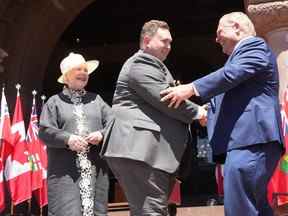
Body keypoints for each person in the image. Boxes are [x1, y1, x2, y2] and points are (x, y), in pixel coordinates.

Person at [161, 12, 284, 216]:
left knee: (240, 208)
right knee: (255, 207)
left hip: (252, 141)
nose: (216, 39)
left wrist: (191, 88)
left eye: (219, 32)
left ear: (237, 27)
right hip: (249, 142)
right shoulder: (242, 55)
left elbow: (230, 75)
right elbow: (233, 90)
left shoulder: (254, 46)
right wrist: (206, 111)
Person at [101, 20, 206, 215]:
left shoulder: (154, 65)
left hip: (147, 153)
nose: (169, 46)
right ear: (147, 41)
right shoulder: (141, 63)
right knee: (152, 211)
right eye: (164, 41)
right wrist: (199, 112)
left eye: (170, 42)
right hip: (140, 151)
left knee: (149, 210)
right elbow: (165, 97)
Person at [39, 52, 112, 216]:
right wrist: (67, 139)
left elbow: (115, 125)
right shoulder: (54, 102)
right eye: (78, 69)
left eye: (86, 70)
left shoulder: (97, 100)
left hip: (95, 170)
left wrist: (101, 134)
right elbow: (44, 131)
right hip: (65, 174)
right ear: (66, 77)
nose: (84, 73)